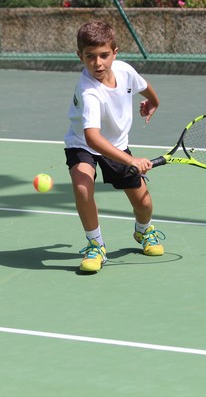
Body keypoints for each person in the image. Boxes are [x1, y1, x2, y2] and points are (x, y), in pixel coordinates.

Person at [64, 20, 166, 273]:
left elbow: (143, 86)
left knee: (143, 204)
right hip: (82, 144)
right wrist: (131, 160)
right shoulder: (89, 92)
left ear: (115, 53)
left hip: (117, 144)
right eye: (90, 56)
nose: (97, 63)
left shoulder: (124, 71)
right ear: (80, 56)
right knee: (82, 187)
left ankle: (143, 231)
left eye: (104, 55)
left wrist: (154, 102)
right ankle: (95, 245)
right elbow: (92, 139)